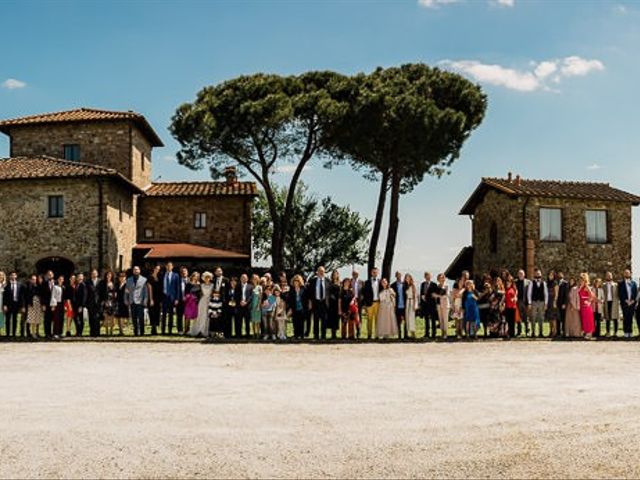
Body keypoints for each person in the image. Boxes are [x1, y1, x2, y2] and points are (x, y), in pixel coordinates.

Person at [308, 266, 331, 340]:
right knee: (316, 320)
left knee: (324, 320)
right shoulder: (313, 281)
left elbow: (329, 293)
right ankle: (316, 335)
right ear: (317, 272)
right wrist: (310, 302)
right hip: (316, 302)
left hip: (324, 303)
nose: (321, 272)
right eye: (320, 271)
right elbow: (310, 293)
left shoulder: (328, 281)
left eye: (323, 271)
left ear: (324, 272)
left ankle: (323, 335)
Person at [125, 266, 148, 337]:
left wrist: (145, 300)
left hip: (140, 301)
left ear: (139, 271)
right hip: (132, 301)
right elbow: (126, 291)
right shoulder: (129, 280)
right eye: (134, 270)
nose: (136, 271)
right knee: (134, 318)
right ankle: (135, 332)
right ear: (133, 271)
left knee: (141, 317)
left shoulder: (144, 279)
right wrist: (126, 299)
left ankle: (142, 332)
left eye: (137, 269)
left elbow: (145, 291)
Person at [189, 271, 213, 337]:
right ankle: (198, 330)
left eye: (208, 277)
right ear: (204, 278)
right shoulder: (201, 285)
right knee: (200, 316)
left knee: (206, 317)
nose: (207, 279)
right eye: (206, 277)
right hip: (202, 302)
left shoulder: (212, 285)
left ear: (210, 278)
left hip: (209, 301)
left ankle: (204, 331)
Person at [527, 269, 548, 338]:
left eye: (539, 273)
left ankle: (541, 332)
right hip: (534, 302)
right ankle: (533, 332)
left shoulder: (544, 283)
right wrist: (529, 303)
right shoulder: (531, 283)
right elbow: (529, 293)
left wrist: (546, 303)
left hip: (541, 302)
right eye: (537, 273)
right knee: (533, 317)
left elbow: (546, 294)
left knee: (541, 318)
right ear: (535, 274)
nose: (538, 275)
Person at [3, 271, 24, 338]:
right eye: (11, 275)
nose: (13, 276)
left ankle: (14, 334)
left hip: (16, 304)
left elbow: (21, 296)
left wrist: (22, 306)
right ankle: (8, 334)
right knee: (8, 320)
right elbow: (4, 296)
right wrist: (4, 305)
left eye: (14, 275)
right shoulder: (6, 285)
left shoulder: (19, 284)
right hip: (8, 304)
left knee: (15, 319)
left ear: (16, 276)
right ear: (9, 276)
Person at [161, 262, 180, 336]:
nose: (169, 267)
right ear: (166, 267)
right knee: (164, 315)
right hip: (164, 297)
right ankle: (163, 331)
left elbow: (177, 288)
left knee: (171, 315)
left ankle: (169, 331)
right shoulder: (162, 274)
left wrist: (177, 299)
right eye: (167, 266)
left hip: (172, 298)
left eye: (170, 266)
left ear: (172, 267)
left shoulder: (176, 275)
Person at [362, 268, 381, 340]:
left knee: (377, 320)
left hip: (378, 303)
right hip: (370, 303)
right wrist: (365, 304)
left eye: (376, 272)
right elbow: (364, 293)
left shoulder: (380, 281)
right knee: (369, 320)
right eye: (373, 272)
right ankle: (369, 335)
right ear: (371, 273)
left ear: (378, 273)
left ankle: (377, 335)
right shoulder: (367, 282)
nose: (375, 273)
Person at [618, 269, 637, 339]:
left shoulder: (634, 283)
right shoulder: (620, 283)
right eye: (625, 273)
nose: (627, 274)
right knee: (625, 318)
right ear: (624, 274)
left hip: (632, 303)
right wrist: (626, 301)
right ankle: (626, 332)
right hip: (625, 303)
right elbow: (620, 294)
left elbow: (635, 293)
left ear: (630, 274)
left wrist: (632, 301)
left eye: (628, 273)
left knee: (630, 318)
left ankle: (630, 331)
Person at [288, 275, 307, 340]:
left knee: (301, 322)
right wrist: (290, 308)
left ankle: (301, 335)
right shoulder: (291, 289)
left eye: (297, 281)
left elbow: (306, 298)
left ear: (300, 281)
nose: (296, 282)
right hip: (294, 307)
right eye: (295, 281)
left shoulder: (303, 289)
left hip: (302, 307)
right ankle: (296, 335)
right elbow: (290, 300)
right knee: (295, 322)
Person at [25, 274, 44, 339]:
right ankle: (32, 333)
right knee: (32, 319)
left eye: (35, 279)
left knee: (37, 319)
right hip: (32, 304)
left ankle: (36, 332)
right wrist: (29, 303)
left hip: (38, 304)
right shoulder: (28, 286)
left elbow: (41, 295)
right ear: (30, 280)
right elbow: (27, 296)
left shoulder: (38, 286)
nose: (34, 280)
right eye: (33, 279)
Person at [236, 273, 255, 338]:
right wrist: (240, 301)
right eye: (242, 278)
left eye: (245, 278)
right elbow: (236, 295)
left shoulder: (251, 286)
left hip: (247, 306)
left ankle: (247, 334)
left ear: (247, 279)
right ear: (240, 279)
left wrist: (246, 302)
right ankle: (239, 335)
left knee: (247, 321)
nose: (244, 279)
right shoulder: (237, 286)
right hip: (240, 306)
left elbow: (251, 296)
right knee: (239, 321)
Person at [420, 272, 438, 339]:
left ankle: (434, 334)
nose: (428, 277)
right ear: (425, 277)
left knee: (433, 320)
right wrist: (422, 298)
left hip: (432, 304)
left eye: (429, 276)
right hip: (425, 304)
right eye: (426, 276)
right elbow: (421, 293)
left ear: (431, 276)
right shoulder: (422, 284)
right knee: (426, 320)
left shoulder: (434, 284)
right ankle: (427, 334)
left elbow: (435, 294)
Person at [578, 273, 596, 339]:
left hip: (586, 306)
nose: (581, 280)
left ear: (585, 280)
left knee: (588, 319)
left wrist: (588, 301)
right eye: (580, 279)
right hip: (581, 305)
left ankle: (589, 333)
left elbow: (592, 295)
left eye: (582, 279)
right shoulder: (581, 286)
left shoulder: (586, 286)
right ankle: (586, 332)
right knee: (584, 319)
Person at [602, 272, 619, 338]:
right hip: (606, 303)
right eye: (607, 275)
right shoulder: (603, 285)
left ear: (612, 276)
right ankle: (608, 332)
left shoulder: (616, 285)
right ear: (606, 277)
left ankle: (615, 332)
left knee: (615, 318)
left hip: (614, 303)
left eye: (610, 275)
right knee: (607, 318)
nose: (609, 277)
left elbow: (618, 294)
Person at [100, 271, 117, 336]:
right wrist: (104, 301)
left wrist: (115, 295)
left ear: (112, 276)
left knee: (112, 317)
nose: (109, 276)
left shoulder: (114, 283)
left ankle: (111, 331)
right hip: (106, 301)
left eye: (110, 275)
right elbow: (101, 292)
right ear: (106, 275)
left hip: (113, 302)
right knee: (106, 317)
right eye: (107, 275)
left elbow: (116, 291)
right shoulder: (103, 283)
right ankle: (106, 331)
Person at [391, 271, 407, 339]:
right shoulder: (393, 285)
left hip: (405, 305)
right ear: (396, 276)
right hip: (397, 306)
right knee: (398, 321)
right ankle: (399, 335)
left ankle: (406, 335)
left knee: (406, 321)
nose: (399, 276)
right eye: (397, 275)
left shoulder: (405, 284)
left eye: (400, 275)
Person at [434, 273, 450, 339]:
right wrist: (439, 296)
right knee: (440, 319)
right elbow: (434, 295)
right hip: (438, 304)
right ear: (438, 279)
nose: (442, 279)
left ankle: (446, 333)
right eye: (440, 278)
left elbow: (447, 295)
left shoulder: (446, 286)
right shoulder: (437, 286)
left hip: (445, 304)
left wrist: (439, 296)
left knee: (445, 319)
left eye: (443, 277)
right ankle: (442, 332)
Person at [86, 269, 102, 337]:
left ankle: (97, 333)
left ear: (97, 274)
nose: (94, 274)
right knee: (91, 318)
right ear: (91, 274)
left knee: (97, 318)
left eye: (95, 273)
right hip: (90, 303)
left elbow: (102, 292)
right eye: (93, 273)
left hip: (98, 302)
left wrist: (102, 301)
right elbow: (86, 293)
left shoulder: (100, 281)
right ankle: (92, 333)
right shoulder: (88, 282)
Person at [147, 266, 162, 335]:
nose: (157, 270)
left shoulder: (159, 277)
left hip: (158, 298)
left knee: (157, 313)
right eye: (156, 269)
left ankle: (155, 328)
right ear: (153, 269)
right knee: (152, 313)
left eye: (158, 269)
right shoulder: (150, 277)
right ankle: (153, 329)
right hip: (152, 298)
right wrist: (151, 299)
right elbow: (149, 288)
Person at [50, 275, 65, 339]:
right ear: (58, 280)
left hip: (62, 304)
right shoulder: (55, 287)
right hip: (56, 304)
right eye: (60, 279)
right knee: (56, 319)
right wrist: (53, 305)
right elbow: (53, 296)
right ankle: (55, 333)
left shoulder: (63, 287)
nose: (61, 280)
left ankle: (60, 333)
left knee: (61, 319)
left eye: (62, 279)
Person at [515, 270, 530, 337]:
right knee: (518, 318)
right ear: (518, 275)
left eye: (522, 274)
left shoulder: (528, 282)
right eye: (519, 274)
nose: (520, 275)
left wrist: (529, 302)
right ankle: (519, 332)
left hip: (525, 302)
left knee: (526, 318)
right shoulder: (515, 282)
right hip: (518, 302)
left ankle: (527, 332)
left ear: (524, 274)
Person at [327, 270, 341, 340]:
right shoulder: (329, 282)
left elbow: (340, 294)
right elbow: (328, 292)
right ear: (332, 275)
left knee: (336, 319)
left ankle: (335, 334)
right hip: (331, 303)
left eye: (336, 274)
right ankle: (332, 334)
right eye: (334, 274)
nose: (335, 275)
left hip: (337, 303)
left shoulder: (340, 283)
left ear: (338, 275)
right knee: (331, 319)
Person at [175, 266, 190, 335]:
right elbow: (175, 290)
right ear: (180, 273)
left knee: (187, 316)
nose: (184, 273)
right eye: (182, 272)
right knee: (179, 316)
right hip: (180, 300)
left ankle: (187, 330)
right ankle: (180, 330)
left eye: (185, 272)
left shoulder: (190, 280)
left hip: (188, 301)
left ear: (187, 273)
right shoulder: (177, 280)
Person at [41, 270, 55, 338]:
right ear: (47, 276)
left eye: (51, 274)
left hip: (54, 304)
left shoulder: (56, 283)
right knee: (47, 319)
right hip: (46, 304)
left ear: (53, 275)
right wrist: (43, 304)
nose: (50, 275)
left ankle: (54, 333)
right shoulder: (44, 283)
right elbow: (42, 295)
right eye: (48, 274)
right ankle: (47, 333)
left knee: (54, 319)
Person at [350, 271, 364, 338]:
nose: (355, 275)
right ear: (352, 275)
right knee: (352, 317)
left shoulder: (361, 282)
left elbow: (363, 292)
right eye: (354, 274)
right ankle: (352, 333)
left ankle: (358, 331)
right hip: (351, 301)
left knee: (359, 317)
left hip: (359, 302)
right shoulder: (349, 281)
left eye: (356, 274)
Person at [115, 272, 129, 336]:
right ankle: (120, 330)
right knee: (119, 316)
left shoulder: (127, 285)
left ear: (125, 278)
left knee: (123, 316)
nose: (122, 278)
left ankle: (123, 330)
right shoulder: (117, 284)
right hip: (118, 302)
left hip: (125, 302)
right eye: (120, 277)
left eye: (123, 277)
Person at [545, 271, 559, 338]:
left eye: (551, 275)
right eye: (549, 275)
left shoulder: (555, 283)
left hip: (553, 301)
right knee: (549, 318)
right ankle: (550, 331)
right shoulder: (547, 283)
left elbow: (556, 294)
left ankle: (555, 332)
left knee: (554, 318)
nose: (550, 276)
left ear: (554, 276)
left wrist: (555, 301)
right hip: (548, 301)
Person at [404, 273, 417, 338]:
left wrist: (415, 305)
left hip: (412, 301)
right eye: (406, 278)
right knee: (407, 318)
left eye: (408, 277)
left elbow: (415, 296)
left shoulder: (413, 285)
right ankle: (409, 333)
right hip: (407, 302)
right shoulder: (406, 286)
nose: (407, 279)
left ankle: (413, 333)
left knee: (412, 318)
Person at [556, 272, 569, 338]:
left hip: (562, 303)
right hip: (556, 303)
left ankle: (563, 331)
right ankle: (558, 332)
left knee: (563, 318)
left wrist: (564, 303)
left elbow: (566, 294)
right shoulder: (555, 283)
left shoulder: (565, 283)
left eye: (561, 274)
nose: (559, 275)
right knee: (557, 318)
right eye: (558, 274)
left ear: (563, 275)